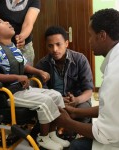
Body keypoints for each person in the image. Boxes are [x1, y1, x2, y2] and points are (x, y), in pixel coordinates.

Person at [0, 17, 70, 150]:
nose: (7, 22)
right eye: (0, 22)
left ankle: (52, 134)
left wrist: (39, 71)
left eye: (6, 21)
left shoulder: (13, 47)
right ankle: (43, 137)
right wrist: (17, 77)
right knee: (45, 101)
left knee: (56, 95)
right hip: (8, 94)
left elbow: (24, 66)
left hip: (22, 89)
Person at [56, 8, 119, 150]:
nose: (89, 41)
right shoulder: (44, 63)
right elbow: (109, 108)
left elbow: (105, 133)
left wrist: (67, 122)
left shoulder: (114, 74)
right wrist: (75, 112)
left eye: (90, 35)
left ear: (102, 35)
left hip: (113, 141)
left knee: (76, 146)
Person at [36, 26, 93, 126]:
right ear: (46, 46)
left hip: (77, 100)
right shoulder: (42, 64)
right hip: (53, 102)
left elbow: (88, 90)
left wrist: (76, 100)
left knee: (83, 110)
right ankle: (62, 131)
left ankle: (72, 131)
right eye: (50, 46)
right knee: (45, 112)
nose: (54, 49)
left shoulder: (80, 59)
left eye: (58, 44)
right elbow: (42, 92)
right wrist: (59, 100)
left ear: (66, 43)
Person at [0, 0, 41, 66]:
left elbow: (28, 24)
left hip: (21, 47)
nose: (7, 22)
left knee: (25, 72)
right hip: (0, 44)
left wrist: (22, 36)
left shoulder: (35, 1)